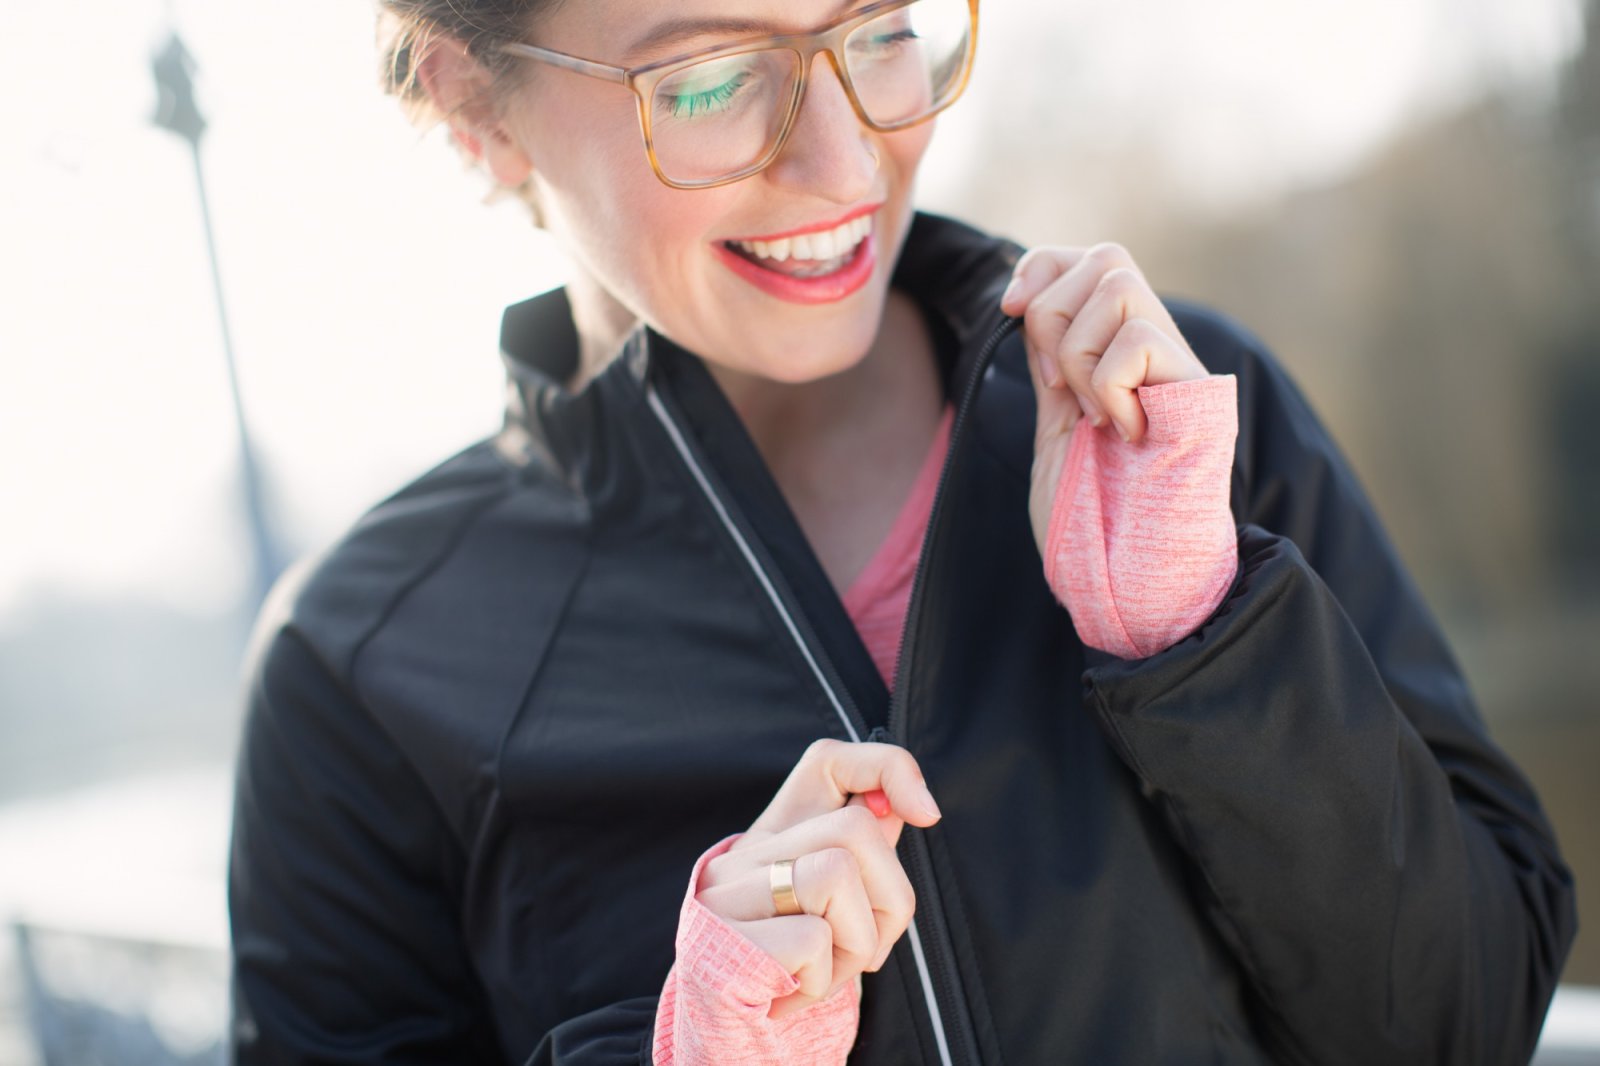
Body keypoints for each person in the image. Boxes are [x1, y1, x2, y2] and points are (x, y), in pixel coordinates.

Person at [227, 0, 1578, 1062]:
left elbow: (1463, 1022)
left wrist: (1203, 636)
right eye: (705, 80)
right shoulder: (359, 672)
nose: (844, 157)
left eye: (878, 29)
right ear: (479, 112)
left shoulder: (1173, 410)